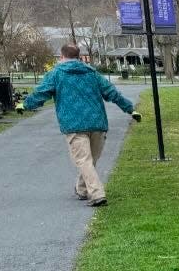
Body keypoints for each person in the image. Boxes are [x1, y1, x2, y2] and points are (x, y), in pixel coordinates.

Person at [18, 44, 141, 206]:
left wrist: (24, 105)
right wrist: (130, 109)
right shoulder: (92, 73)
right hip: (97, 123)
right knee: (90, 160)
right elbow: (112, 93)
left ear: (62, 57)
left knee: (84, 160)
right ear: (79, 56)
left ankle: (97, 194)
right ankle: (82, 190)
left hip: (73, 123)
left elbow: (41, 93)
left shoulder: (56, 74)